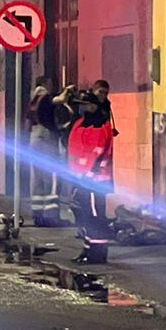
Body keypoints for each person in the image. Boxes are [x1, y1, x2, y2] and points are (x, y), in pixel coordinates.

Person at [63, 79, 117, 264]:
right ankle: (88, 249)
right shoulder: (80, 123)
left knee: (95, 216)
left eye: (86, 105)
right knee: (85, 215)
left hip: (95, 180)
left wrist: (87, 174)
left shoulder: (101, 125)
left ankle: (98, 253)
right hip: (81, 178)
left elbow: (97, 151)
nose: (83, 108)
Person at [26, 75, 65, 227]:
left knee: (38, 178)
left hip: (34, 138)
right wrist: (67, 92)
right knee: (51, 177)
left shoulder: (34, 99)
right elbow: (58, 101)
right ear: (44, 84)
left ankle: (38, 215)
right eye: (50, 83)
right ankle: (51, 216)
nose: (52, 85)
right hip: (46, 138)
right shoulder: (45, 97)